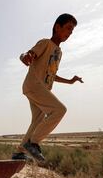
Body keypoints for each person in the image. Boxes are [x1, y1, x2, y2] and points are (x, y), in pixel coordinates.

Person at [12, 13, 83, 162]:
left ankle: (19, 152)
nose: (70, 33)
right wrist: (25, 56)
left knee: (37, 121)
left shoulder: (59, 52)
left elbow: (52, 74)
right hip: (34, 85)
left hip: (41, 89)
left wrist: (70, 81)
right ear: (58, 27)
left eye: (72, 31)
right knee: (59, 110)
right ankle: (33, 143)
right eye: (68, 28)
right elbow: (29, 53)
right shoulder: (45, 43)